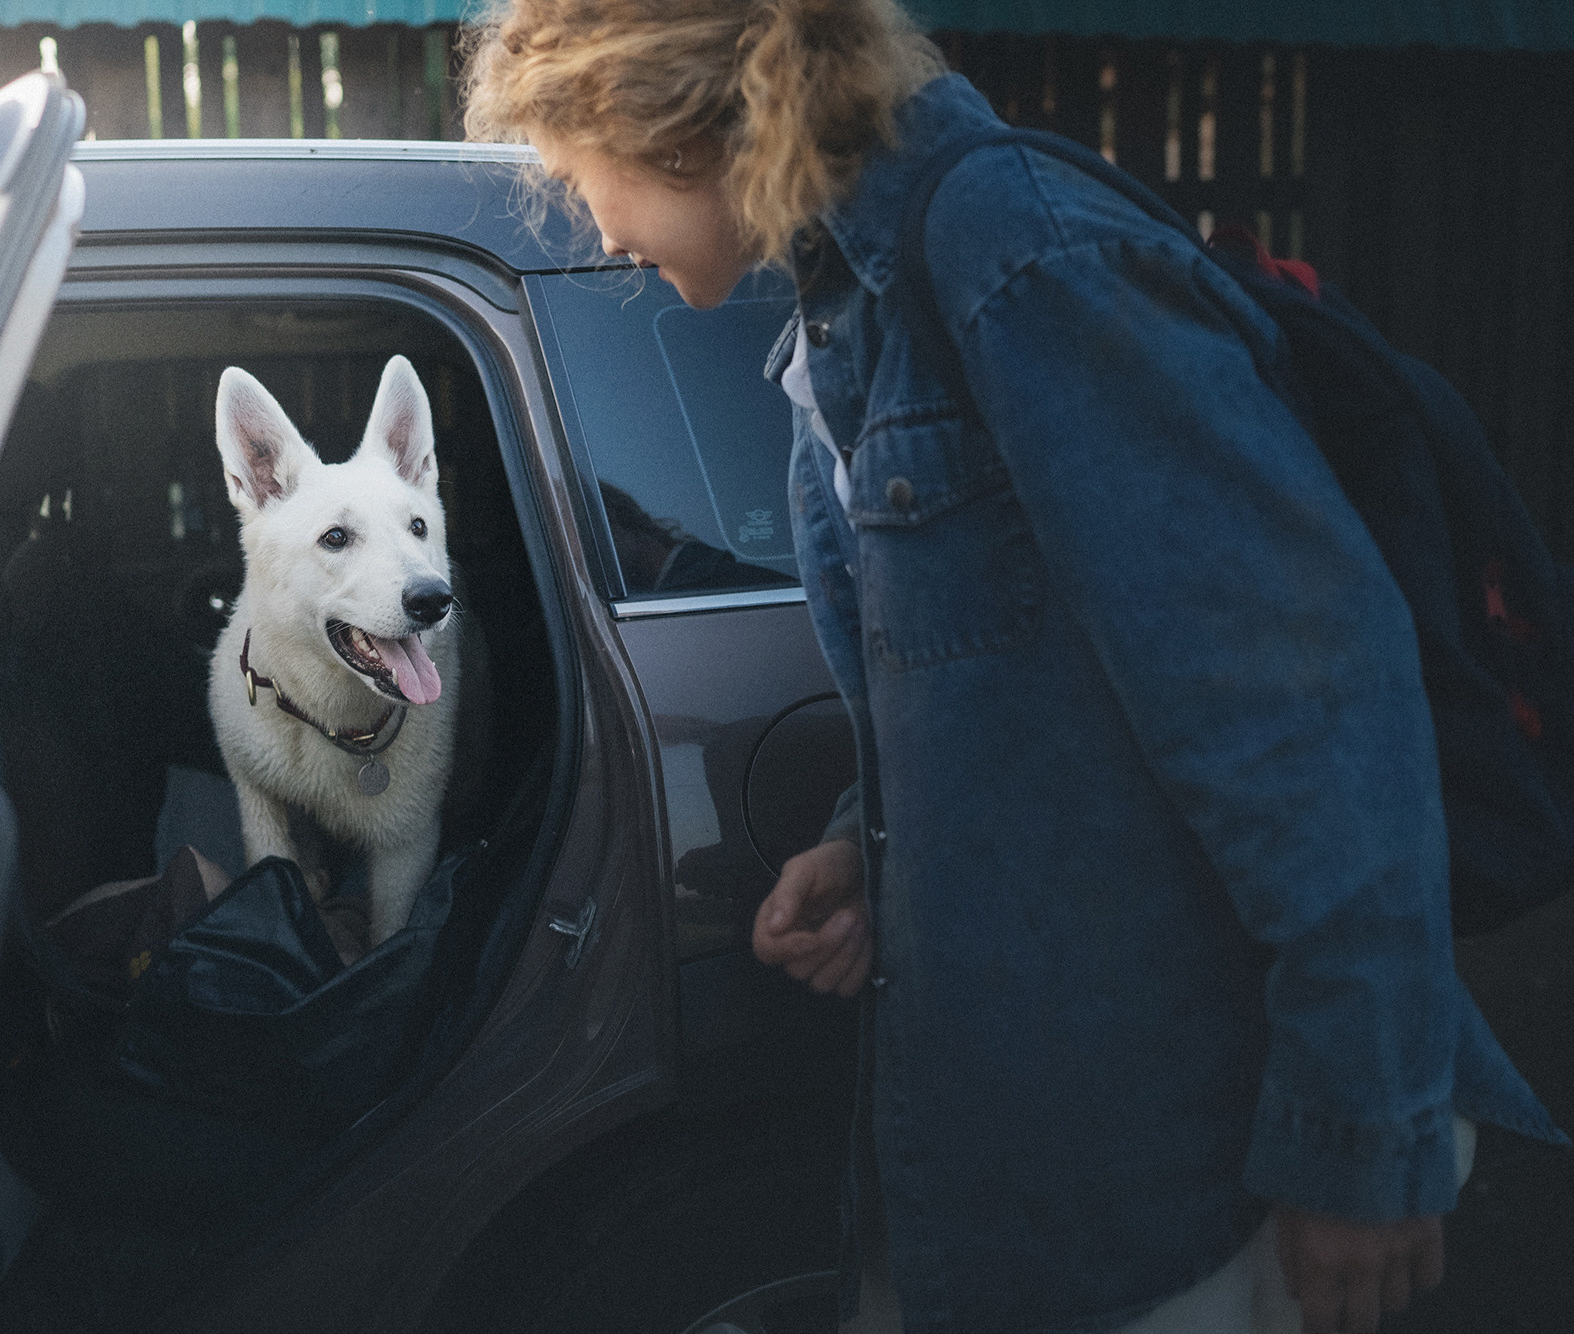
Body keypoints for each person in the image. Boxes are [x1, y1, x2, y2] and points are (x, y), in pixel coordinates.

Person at [462, 3, 1567, 1333]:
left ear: (670, 112)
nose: (600, 228)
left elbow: (1310, 712)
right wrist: (866, 848)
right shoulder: (850, 311)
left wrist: (1359, 1145)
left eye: (585, 180)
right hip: (1002, 1180)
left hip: (1171, 1191)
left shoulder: (1014, 258)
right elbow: (1018, 685)